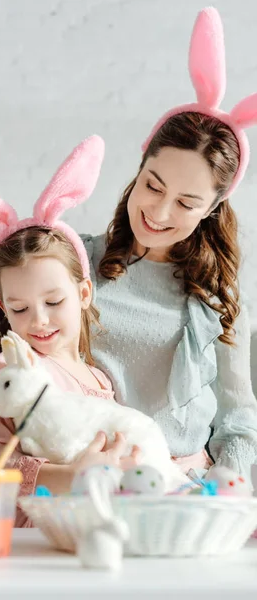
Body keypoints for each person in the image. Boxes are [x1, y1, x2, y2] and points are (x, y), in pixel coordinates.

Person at [0, 135, 139, 528]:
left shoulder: (100, 376)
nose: (38, 320)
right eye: (20, 308)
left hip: (92, 533)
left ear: (84, 293)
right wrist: (70, 479)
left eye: (54, 303)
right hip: (32, 543)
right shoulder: (11, 371)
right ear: (3, 307)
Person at [81, 7, 257, 482]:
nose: (159, 213)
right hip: (88, 482)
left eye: (185, 202)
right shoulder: (76, 262)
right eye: (153, 186)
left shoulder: (215, 298)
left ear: (211, 210)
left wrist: (225, 487)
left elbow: (239, 422)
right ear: (140, 168)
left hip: (183, 491)